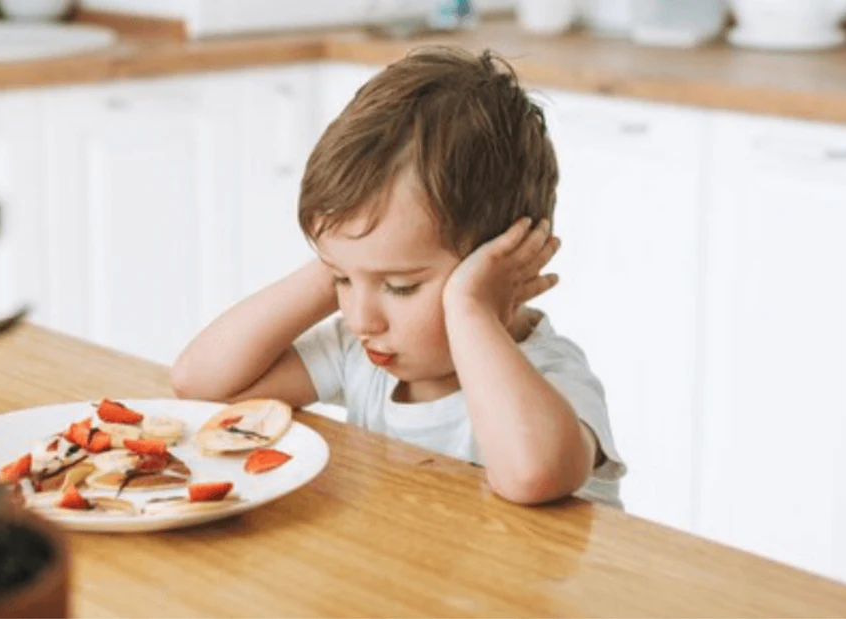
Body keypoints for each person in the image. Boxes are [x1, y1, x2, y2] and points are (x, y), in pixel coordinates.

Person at [171, 46, 626, 507]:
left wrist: (470, 309)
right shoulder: (362, 356)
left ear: (502, 269)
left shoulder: (553, 376)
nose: (362, 318)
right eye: (343, 282)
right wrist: (344, 263)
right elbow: (201, 386)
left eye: (400, 286)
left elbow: (532, 476)